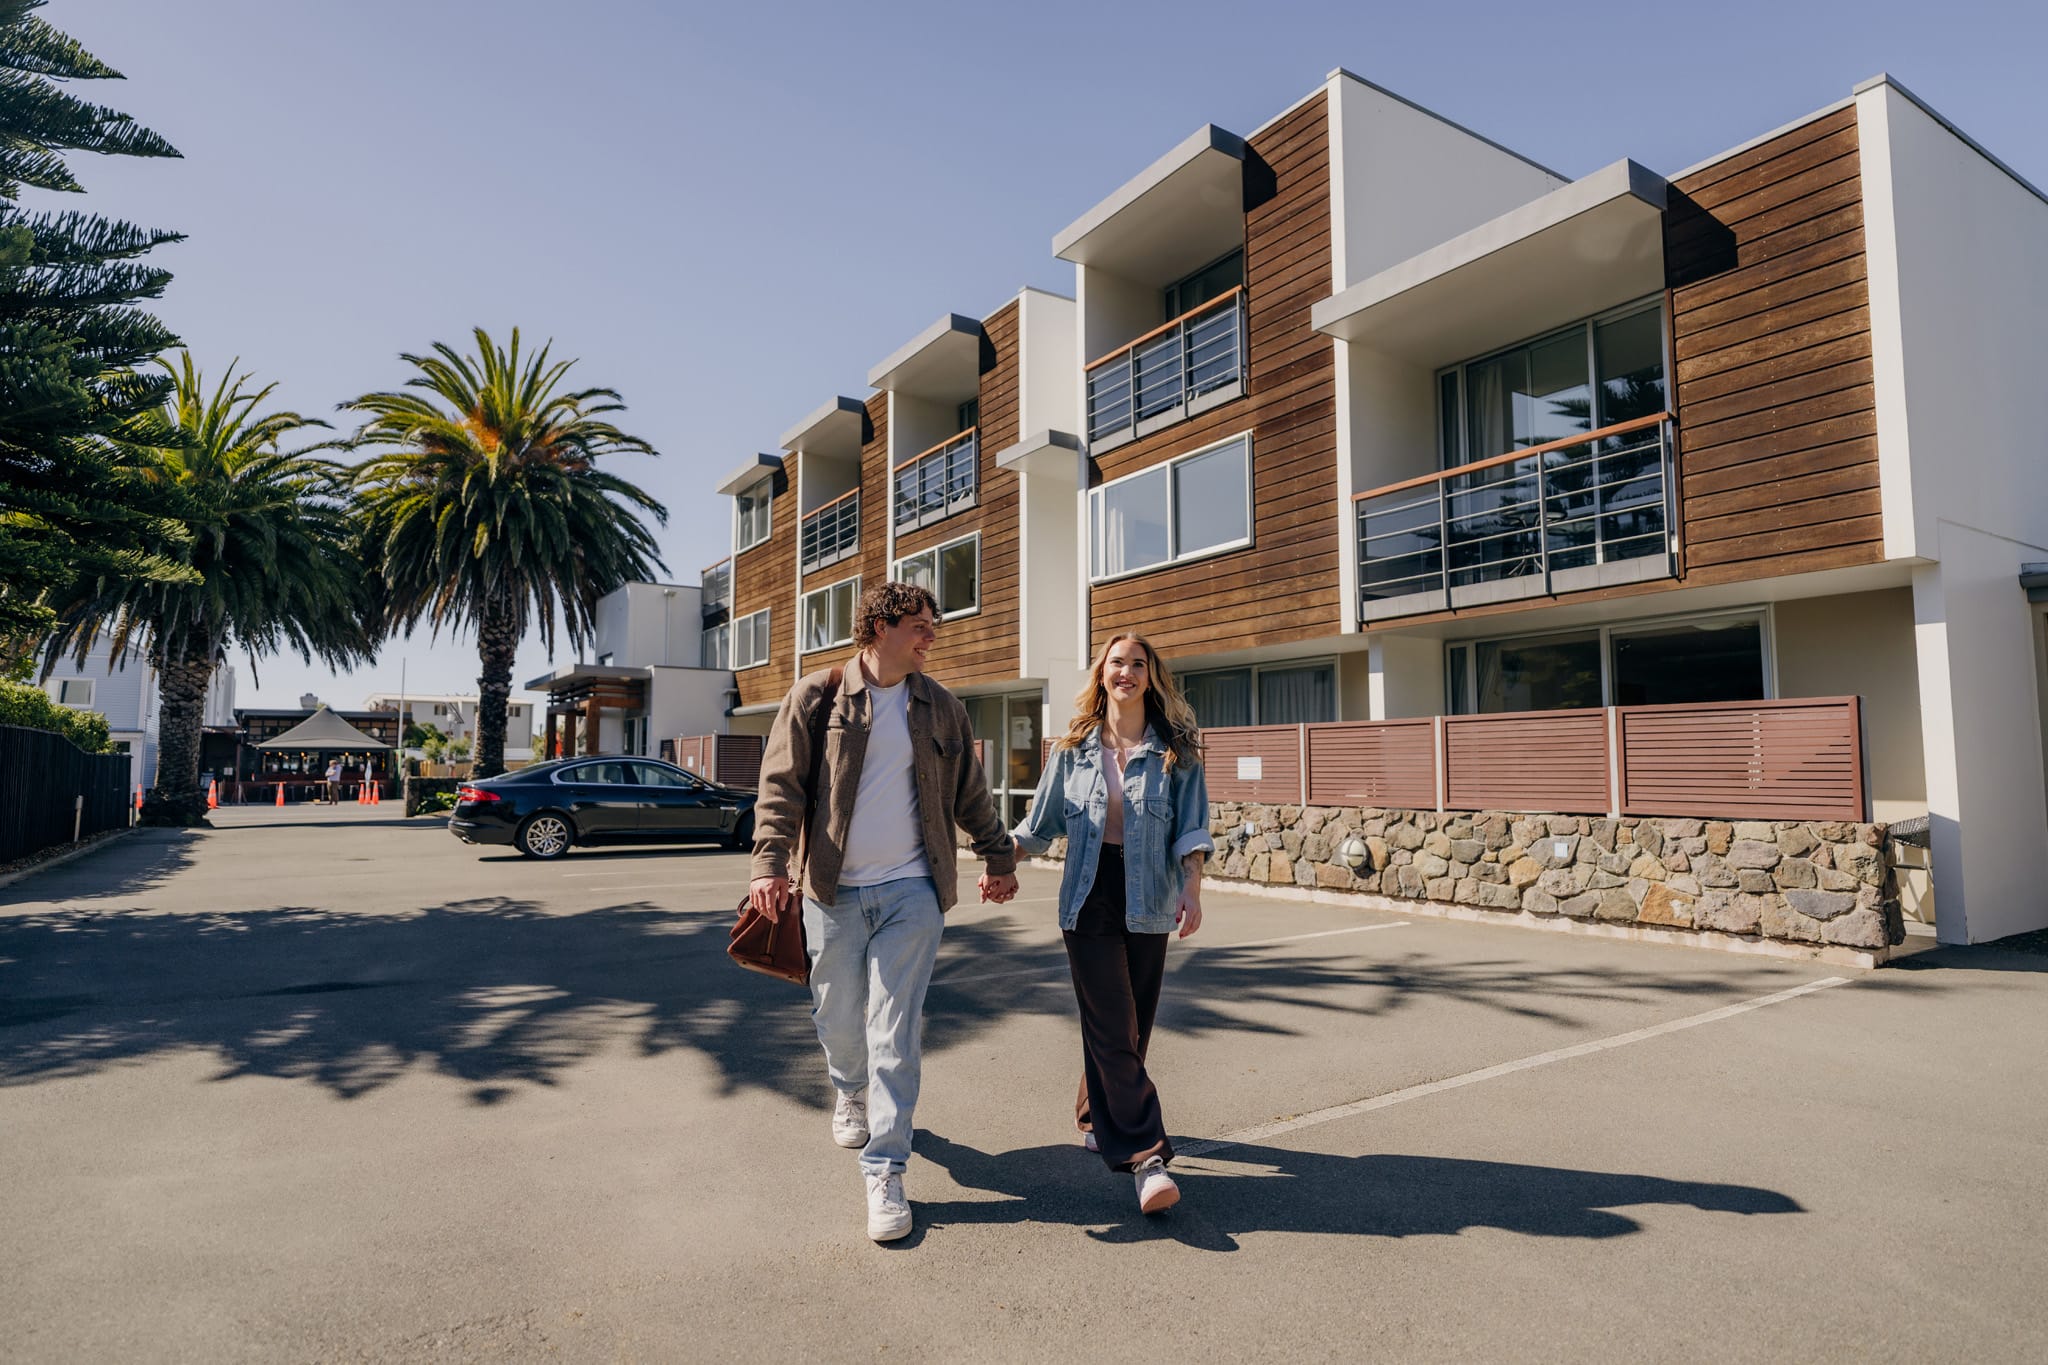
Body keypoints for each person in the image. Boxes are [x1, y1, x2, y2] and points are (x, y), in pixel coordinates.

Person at [749, 581, 1019, 1243]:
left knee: (893, 1029)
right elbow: (780, 785)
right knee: (839, 1015)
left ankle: (886, 1167)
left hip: (912, 891)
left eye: (933, 625)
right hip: (832, 891)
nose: (931, 636)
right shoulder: (817, 696)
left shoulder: (942, 706)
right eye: (921, 625)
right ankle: (849, 1087)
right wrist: (769, 863)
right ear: (880, 626)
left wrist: (998, 856)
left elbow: (970, 795)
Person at [1012, 633, 1212, 1214]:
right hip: (1089, 893)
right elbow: (1040, 824)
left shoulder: (1178, 750)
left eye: (1138, 664)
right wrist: (1001, 859)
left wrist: (1193, 890)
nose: (1126, 672)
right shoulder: (1071, 750)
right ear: (1101, 674)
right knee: (1111, 1020)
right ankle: (1145, 1157)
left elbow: (1192, 828)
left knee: (1133, 1023)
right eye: (1116, 663)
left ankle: (1093, 1113)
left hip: (1151, 893)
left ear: (1152, 676)